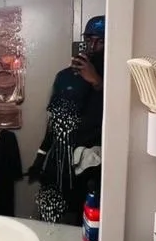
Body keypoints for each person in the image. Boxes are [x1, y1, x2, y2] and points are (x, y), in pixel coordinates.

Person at [28, 15, 104, 224]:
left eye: (100, 41)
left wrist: (97, 82)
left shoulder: (116, 79)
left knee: (86, 226)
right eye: (88, 40)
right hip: (58, 164)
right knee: (50, 222)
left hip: (91, 172)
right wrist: (40, 158)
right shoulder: (65, 77)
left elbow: (117, 115)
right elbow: (55, 121)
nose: (92, 47)